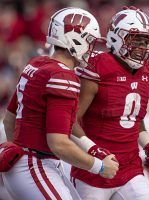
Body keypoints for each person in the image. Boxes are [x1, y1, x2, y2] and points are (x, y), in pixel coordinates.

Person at [1, 7, 119, 200]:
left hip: (22, 163)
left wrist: (19, 152)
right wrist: (100, 167)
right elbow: (59, 143)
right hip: (35, 165)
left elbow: (9, 120)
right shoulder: (63, 76)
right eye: (89, 41)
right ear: (74, 39)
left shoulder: (37, 63)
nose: (91, 49)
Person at [71, 6, 149, 200]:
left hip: (130, 168)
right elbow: (71, 120)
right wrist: (93, 151)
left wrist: (148, 143)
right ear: (116, 37)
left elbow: (132, 116)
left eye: (146, 41)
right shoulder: (97, 67)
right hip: (94, 170)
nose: (142, 47)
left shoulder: (146, 72)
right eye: (136, 40)